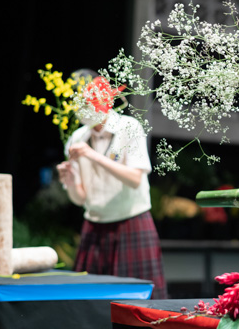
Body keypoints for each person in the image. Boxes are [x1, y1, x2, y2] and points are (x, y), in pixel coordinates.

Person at [56, 69, 167, 299]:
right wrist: (70, 179)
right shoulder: (77, 139)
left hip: (131, 221)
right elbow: (81, 199)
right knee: (88, 302)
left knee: (140, 302)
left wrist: (92, 155)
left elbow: (135, 179)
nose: (82, 107)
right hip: (94, 225)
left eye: (86, 99)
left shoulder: (129, 127)